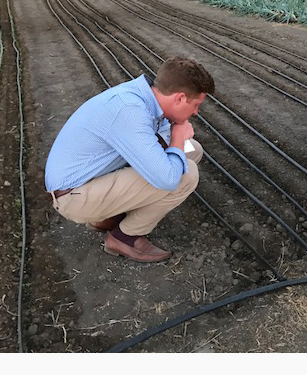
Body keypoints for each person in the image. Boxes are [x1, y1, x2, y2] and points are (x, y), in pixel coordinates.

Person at [45, 56, 215, 263]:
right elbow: (168, 178)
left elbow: (161, 141)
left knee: (192, 150)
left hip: (90, 179)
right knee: (185, 176)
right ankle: (124, 237)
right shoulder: (129, 110)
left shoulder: (146, 96)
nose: (196, 112)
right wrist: (178, 136)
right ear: (179, 98)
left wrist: (176, 138)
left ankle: (109, 217)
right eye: (195, 105)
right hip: (72, 196)